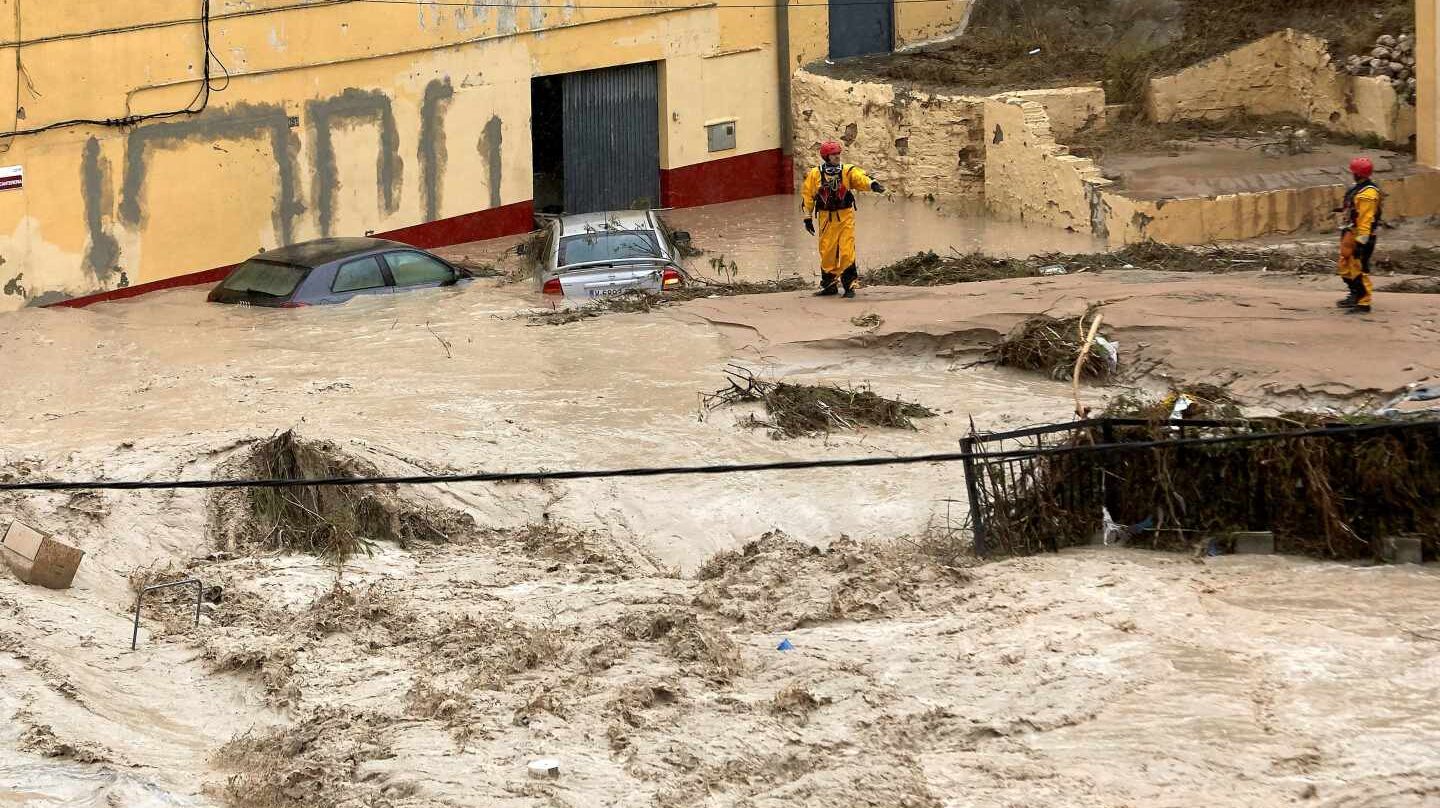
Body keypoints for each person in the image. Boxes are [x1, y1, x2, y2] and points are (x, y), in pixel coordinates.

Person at [801, 140, 884, 298]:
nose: (837, 156)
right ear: (826, 156)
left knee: (847, 249)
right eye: (833, 154)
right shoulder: (815, 174)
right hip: (826, 217)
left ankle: (849, 286)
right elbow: (808, 196)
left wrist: (873, 185)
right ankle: (829, 285)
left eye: (838, 153)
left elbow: (860, 178)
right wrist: (807, 217)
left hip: (845, 215)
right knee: (827, 251)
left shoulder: (847, 171)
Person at [1336, 156, 1382, 315]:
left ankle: (1364, 302)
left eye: (1353, 171)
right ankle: (1354, 294)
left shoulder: (1368, 194)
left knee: (1358, 267)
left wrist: (1362, 241)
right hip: (1350, 231)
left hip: (1361, 235)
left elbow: (1366, 219)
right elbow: (1355, 210)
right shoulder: (1359, 188)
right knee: (1344, 265)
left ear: (1358, 173)